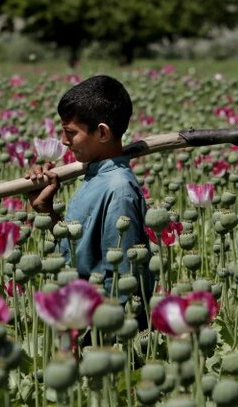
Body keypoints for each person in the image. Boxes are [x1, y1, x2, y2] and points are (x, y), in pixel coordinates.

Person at [26, 75, 151, 310]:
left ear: (102, 133)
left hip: (100, 321)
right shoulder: (96, 175)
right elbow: (80, 253)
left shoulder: (119, 191)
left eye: (70, 132)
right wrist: (46, 211)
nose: (64, 141)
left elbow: (122, 283)